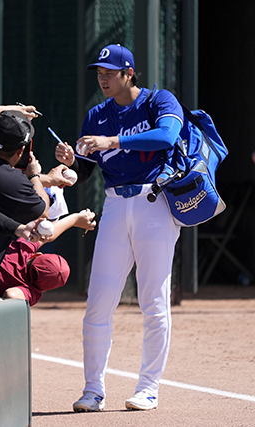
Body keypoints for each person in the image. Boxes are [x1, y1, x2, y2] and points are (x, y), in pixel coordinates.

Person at [54, 44, 183, 412]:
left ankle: (149, 388)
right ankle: (93, 389)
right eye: (99, 72)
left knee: (153, 300)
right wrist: (69, 164)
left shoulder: (159, 100)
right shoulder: (97, 115)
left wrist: (113, 141)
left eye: (109, 72)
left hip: (153, 203)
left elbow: (167, 137)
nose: (103, 78)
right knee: (98, 301)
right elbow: (83, 171)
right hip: (114, 204)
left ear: (129, 73)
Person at [0, 110, 72, 283]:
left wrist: (46, 179)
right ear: (21, 150)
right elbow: (42, 211)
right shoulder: (17, 184)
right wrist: (35, 176)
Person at [0, 209, 96, 305]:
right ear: (45, 289)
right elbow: (11, 294)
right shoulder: (31, 291)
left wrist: (75, 218)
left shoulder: (24, 250)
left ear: (37, 255)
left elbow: (49, 234)